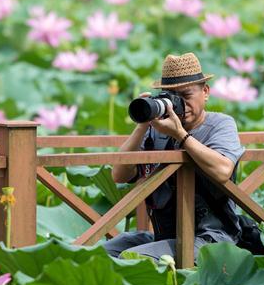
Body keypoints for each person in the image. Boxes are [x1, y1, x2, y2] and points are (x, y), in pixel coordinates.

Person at [104, 52, 246, 261]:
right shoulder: (156, 130)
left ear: (205, 92)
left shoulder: (221, 124)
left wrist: (180, 135)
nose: (180, 105)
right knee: (102, 254)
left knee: (132, 258)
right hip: (167, 237)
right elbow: (119, 174)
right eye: (173, 98)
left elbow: (223, 170)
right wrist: (143, 124)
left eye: (186, 96)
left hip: (212, 238)